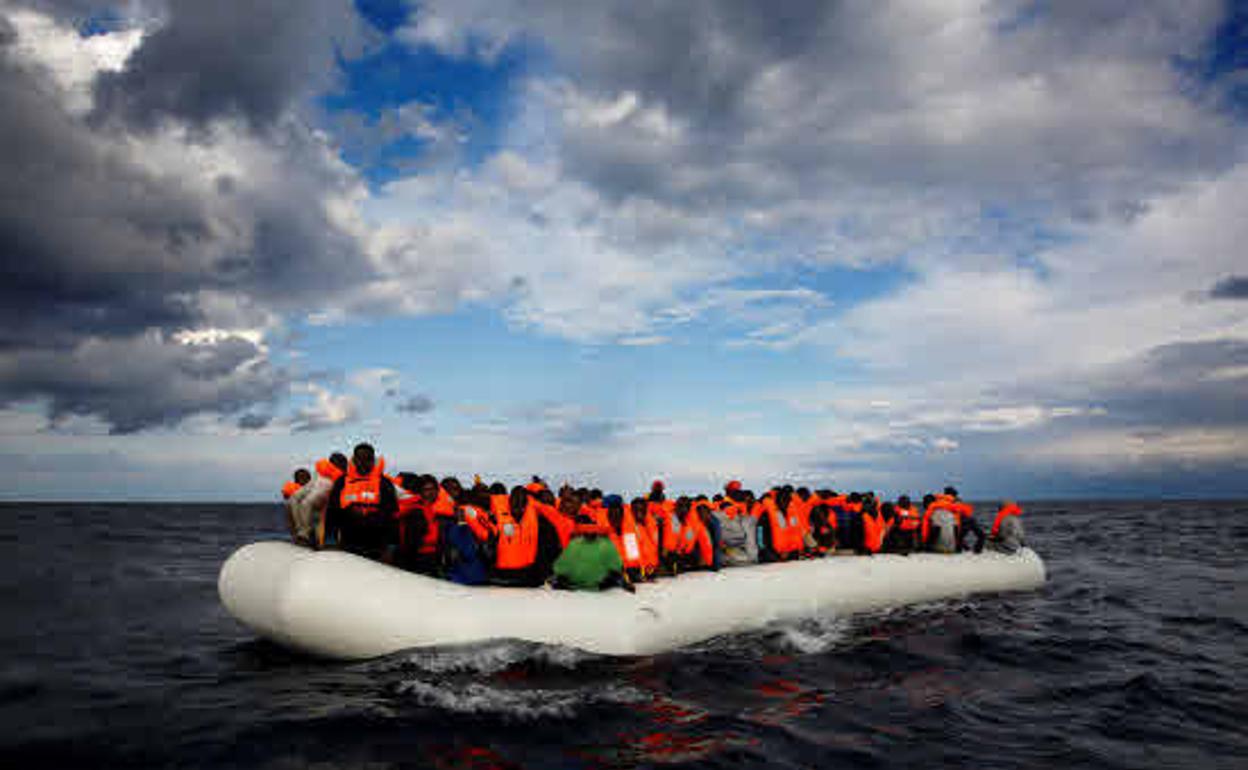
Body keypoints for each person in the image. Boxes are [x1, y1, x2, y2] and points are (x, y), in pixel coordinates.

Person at [323, 443, 399, 561]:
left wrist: (391, 546)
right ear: (354, 460)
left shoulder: (384, 483)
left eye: (367, 459)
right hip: (348, 544)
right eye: (360, 459)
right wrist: (329, 539)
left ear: (373, 461)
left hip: (377, 546)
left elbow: (393, 517)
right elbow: (332, 512)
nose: (363, 463)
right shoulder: (341, 482)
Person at [551, 519, 633, 592]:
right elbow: (562, 566)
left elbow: (617, 566)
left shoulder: (604, 544)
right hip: (589, 583)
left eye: (592, 529)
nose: (590, 532)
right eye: (588, 529)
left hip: (592, 583)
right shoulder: (575, 544)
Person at [287, 454, 347, 548]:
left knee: (305, 506)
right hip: (319, 519)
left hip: (323, 519)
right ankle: (304, 537)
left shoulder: (326, 480)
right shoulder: (322, 481)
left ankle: (304, 537)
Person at [282, 468, 310, 542]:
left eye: (305, 477)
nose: (303, 479)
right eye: (301, 477)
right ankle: (299, 536)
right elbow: (286, 495)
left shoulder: (312, 487)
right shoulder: (291, 487)